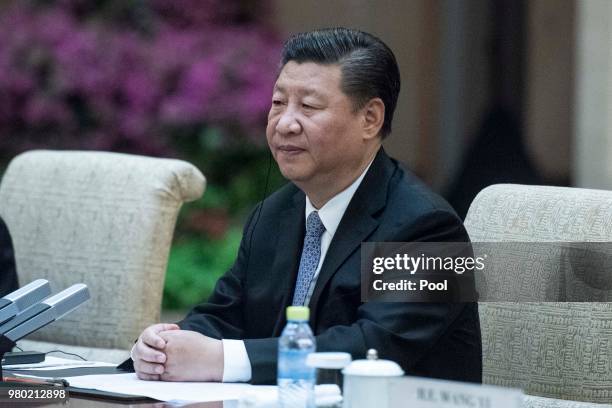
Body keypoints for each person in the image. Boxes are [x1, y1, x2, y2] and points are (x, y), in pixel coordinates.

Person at [127, 27, 482, 385]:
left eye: (309, 106)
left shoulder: (429, 228)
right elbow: (225, 315)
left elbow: (372, 349)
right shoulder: (274, 214)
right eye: (278, 103)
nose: (284, 123)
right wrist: (164, 346)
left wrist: (224, 359)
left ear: (370, 119)